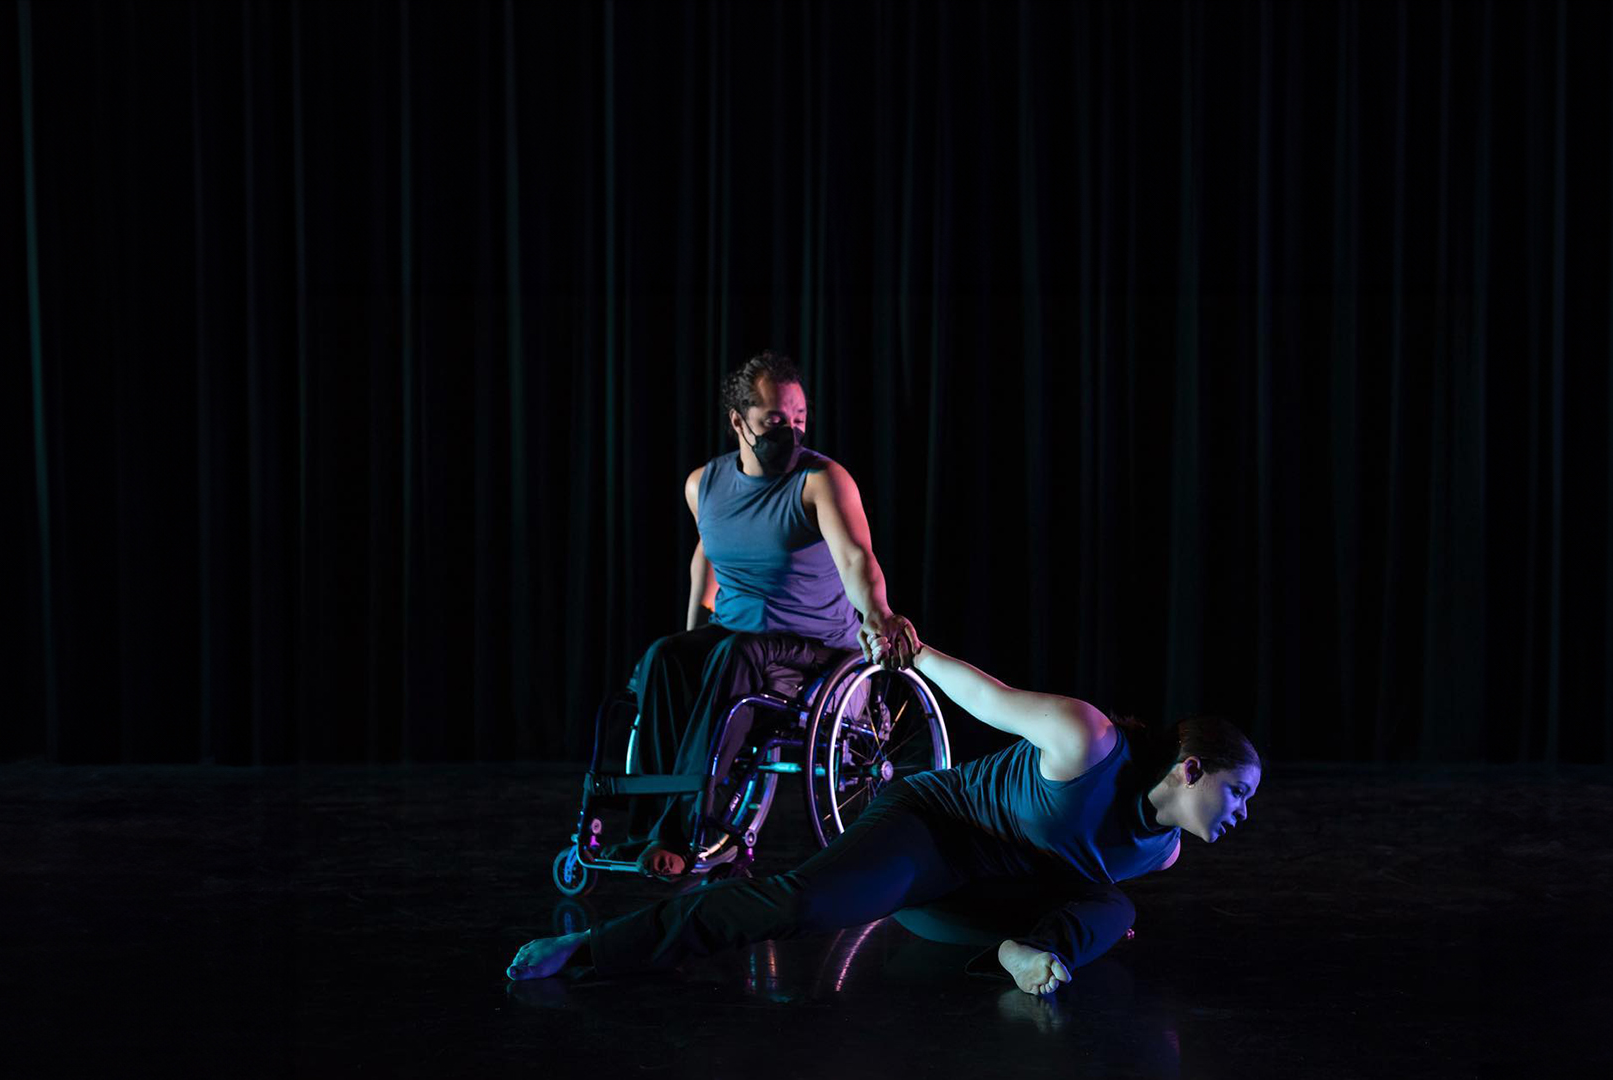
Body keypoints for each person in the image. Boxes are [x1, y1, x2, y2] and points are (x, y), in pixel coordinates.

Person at [509, 640, 1262, 996]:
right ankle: (588, 948)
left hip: (985, 908)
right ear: (1191, 768)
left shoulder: (1161, 854)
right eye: (1238, 792)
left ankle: (1019, 956)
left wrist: (1080, 923)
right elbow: (984, 693)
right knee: (798, 904)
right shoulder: (1086, 740)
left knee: (1114, 907)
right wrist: (910, 650)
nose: (1242, 813)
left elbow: (1077, 881)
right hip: (932, 838)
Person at [615, 351, 918, 880]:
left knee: (735, 653)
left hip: (815, 651)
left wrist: (878, 613)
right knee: (667, 656)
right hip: (739, 640)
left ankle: (698, 829)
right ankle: (653, 825)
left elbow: (855, 557)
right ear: (739, 421)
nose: (790, 431)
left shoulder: (821, 480)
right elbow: (704, 559)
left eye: (798, 420)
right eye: (775, 421)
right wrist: (693, 640)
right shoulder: (703, 485)